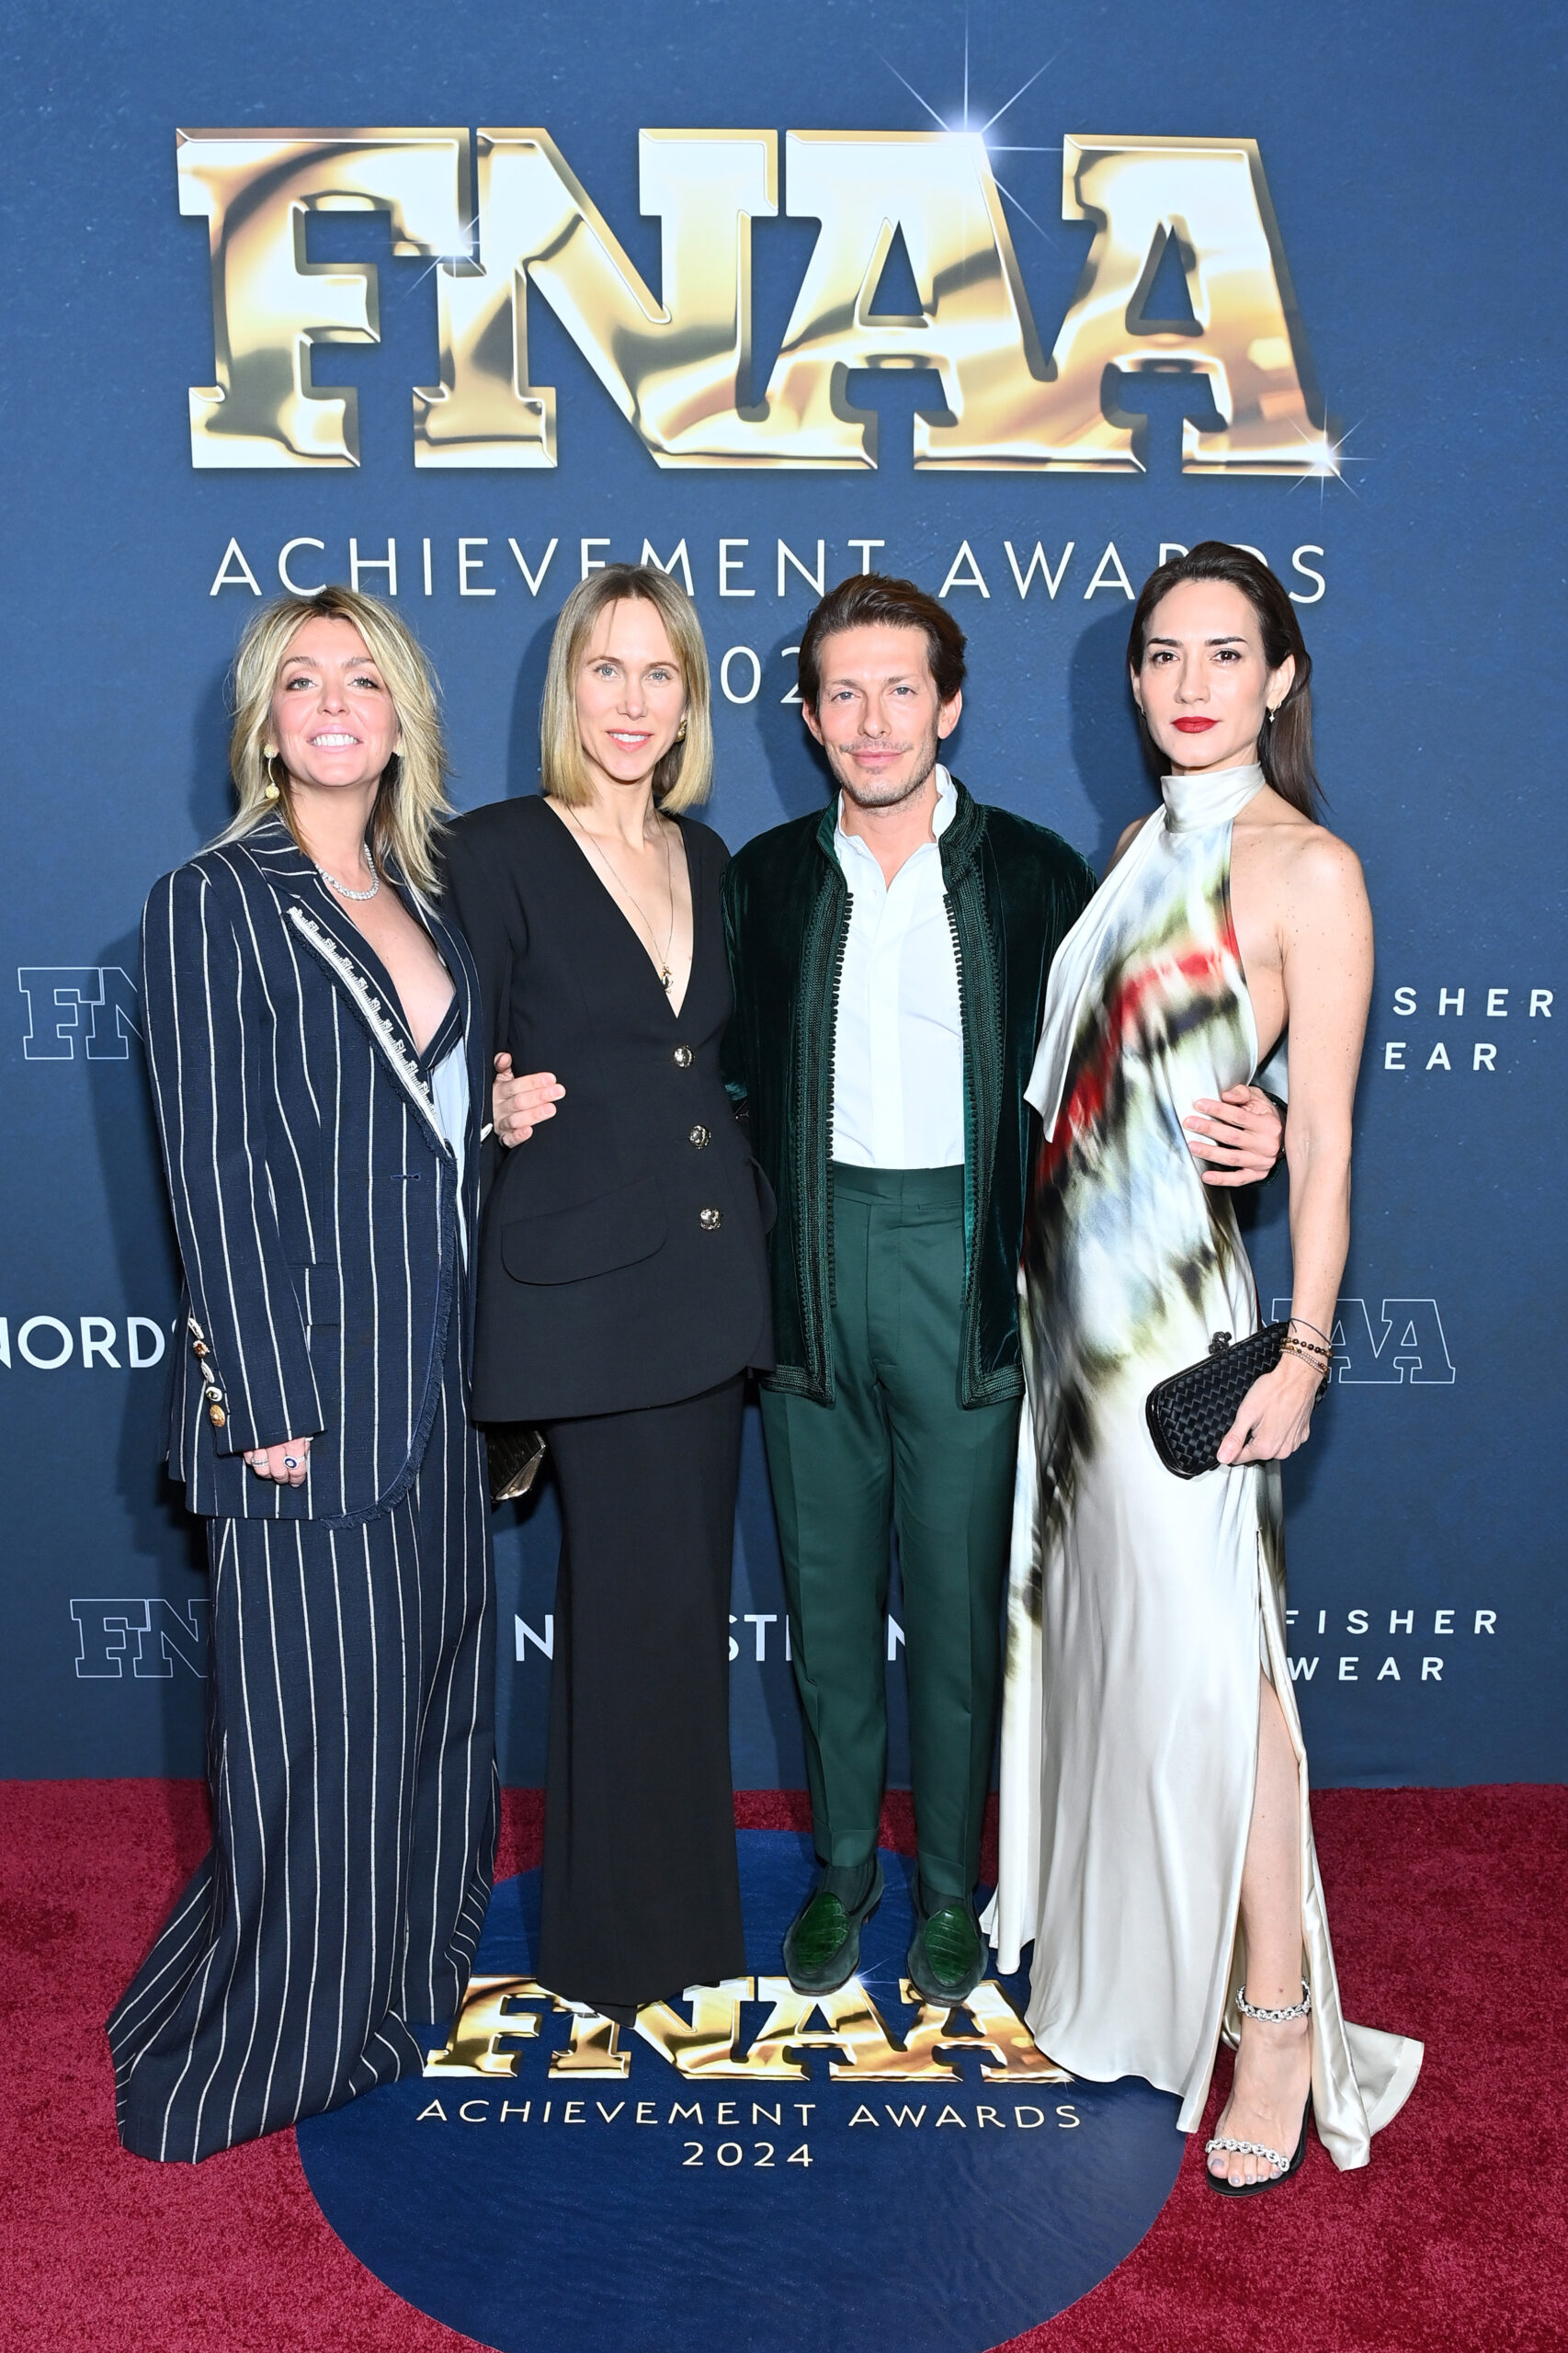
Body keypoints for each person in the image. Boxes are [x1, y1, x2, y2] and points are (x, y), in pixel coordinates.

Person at [720, 574, 1285, 2007]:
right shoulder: (761, 880)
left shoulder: (1037, 876)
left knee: (964, 1622)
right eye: (843, 693)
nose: (872, 720)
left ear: (950, 705)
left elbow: (1142, 1052)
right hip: (806, 1281)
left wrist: (1261, 1104)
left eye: (900, 689)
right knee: (826, 1613)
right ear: (806, 716)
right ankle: (842, 1873)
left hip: (971, 1285)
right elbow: (706, 1080)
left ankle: (950, 1894)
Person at [986, 542, 1424, 2192]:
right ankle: (1119, 1978)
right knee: (1122, 1660)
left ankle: (1279, 2024)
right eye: (1162, 653)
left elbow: (1326, 1144)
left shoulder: (1309, 868)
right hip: (1069, 1323)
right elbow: (1109, 1087)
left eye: (1224, 653)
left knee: (1222, 1673)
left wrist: (1301, 1351)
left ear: (1279, 677)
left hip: (1178, 1325)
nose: (1187, 683)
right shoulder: (1130, 850)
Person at [108, 587, 496, 2162]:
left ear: (401, 718)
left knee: (433, 1715)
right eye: (300, 682)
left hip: (440, 1386)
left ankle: (403, 1984)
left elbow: (410, 1131)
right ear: (264, 724)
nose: (334, 703)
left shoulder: (421, 901)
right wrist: (264, 1401)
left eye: (362, 679)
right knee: (312, 1741)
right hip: (308, 1402)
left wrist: (496, 1122)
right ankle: (280, 2039)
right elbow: (214, 1169)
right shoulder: (211, 901)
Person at [446, 564, 772, 2024]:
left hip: (705, 1284)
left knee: (673, 1614)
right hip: (581, 1295)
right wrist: (486, 1107)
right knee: (629, 1610)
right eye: (605, 670)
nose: (631, 702)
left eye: (659, 674)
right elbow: (428, 1046)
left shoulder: (707, 854)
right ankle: (616, 1946)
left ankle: (673, 1928)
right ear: (564, 689)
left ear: (690, 700)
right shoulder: (495, 849)